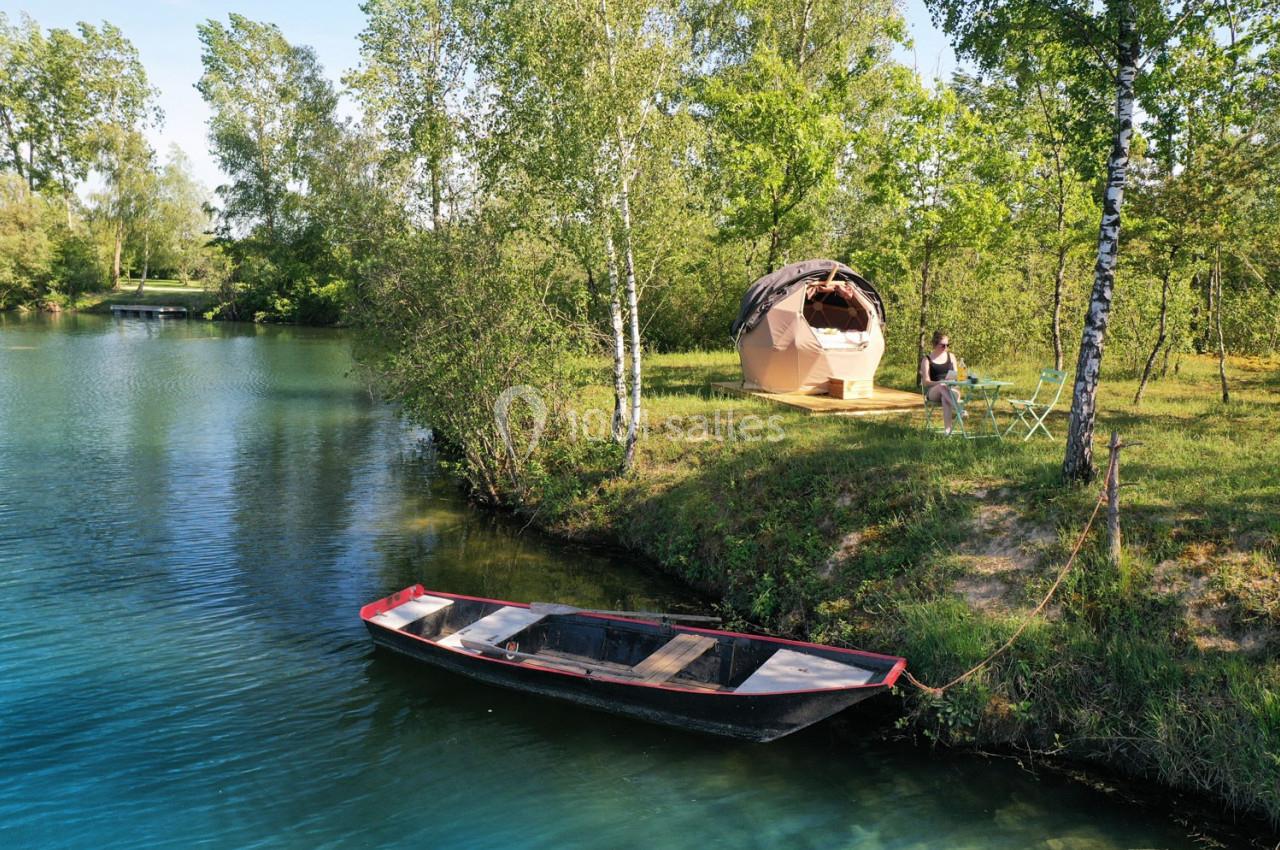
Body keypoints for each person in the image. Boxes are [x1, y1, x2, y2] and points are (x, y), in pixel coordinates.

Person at [921, 330, 960, 435]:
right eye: (943, 345)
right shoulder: (927, 360)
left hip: (951, 389)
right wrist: (940, 383)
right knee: (942, 387)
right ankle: (958, 410)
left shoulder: (951, 357)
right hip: (934, 391)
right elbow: (926, 382)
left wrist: (954, 380)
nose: (946, 348)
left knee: (945, 396)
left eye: (948, 345)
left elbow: (957, 376)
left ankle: (947, 431)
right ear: (935, 344)